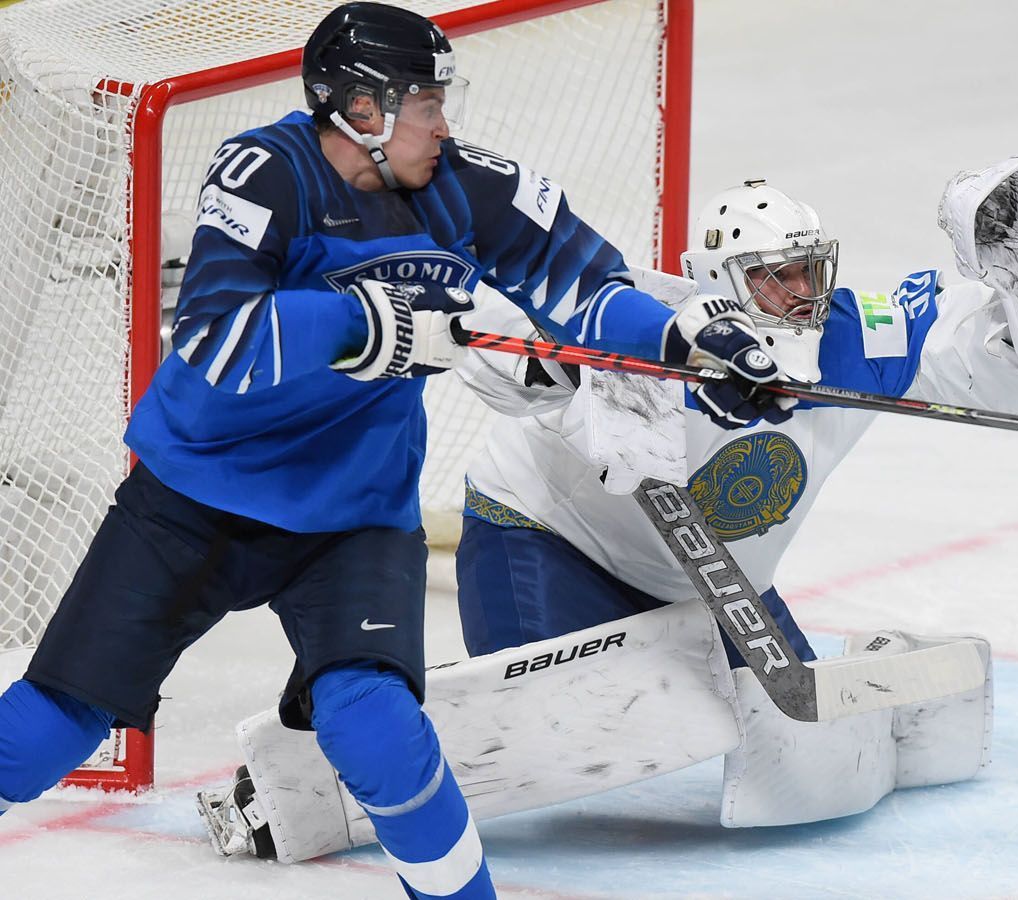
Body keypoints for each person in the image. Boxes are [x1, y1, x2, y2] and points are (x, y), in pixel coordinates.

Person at [0, 4, 788, 898]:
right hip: (195, 500)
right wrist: (377, 324)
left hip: (355, 514)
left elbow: (589, 286)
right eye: (425, 101)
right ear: (361, 111)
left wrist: (687, 345)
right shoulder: (267, 175)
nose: (443, 123)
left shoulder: (471, 185)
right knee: (46, 732)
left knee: (374, 726)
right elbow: (215, 336)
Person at [194, 156, 1018, 861]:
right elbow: (493, 351)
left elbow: (973, 367)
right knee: (556, 717)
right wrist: (572, 378)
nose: (802, 294)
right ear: (718, 282)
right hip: (551, 541)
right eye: (773, 277)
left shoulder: (850, 337)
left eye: (807, 268)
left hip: (712, 582)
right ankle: (295, 781)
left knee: (797, 741)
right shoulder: (648, 327)